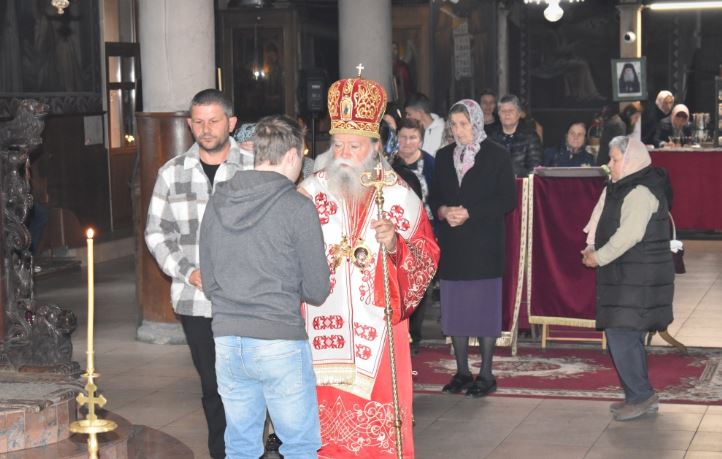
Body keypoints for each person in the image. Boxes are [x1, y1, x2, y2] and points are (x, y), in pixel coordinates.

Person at [299, 73, 439, 458]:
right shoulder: (309, 190)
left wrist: (395, 243)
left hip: (376, 326)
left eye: (354, 144)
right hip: (319, 321)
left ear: (375, 146)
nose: (343, 152)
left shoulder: (397, 194)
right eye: (338, 143)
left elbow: (426, 255)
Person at [199, 115, 330, 458]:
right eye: (301, 157)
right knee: (299, 446)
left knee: (240, 445)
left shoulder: (219, 200)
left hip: (227, 340)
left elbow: (209, 280)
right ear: (290, 156)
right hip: (279, 340)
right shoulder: (297, 207)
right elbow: (317, 289)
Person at [144, 89, 254, 459]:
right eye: (199, 122)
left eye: (215, 121)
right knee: (213, 385)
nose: (206, 130)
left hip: (250, 298)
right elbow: (156, 232)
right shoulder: (172, 172)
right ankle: (222, 453)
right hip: (196, 300)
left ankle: (256, 448)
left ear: (231, 124)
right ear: (190, 125)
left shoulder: (255, 168)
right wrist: (188, 272)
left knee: (251, 381)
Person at [582, 135, 674, 421]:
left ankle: (641, 396)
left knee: (622, 334)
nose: (609, 164)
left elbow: (628, 236)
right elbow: (601, 213)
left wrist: (599, 256)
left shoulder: (641, 190)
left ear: (631, 159)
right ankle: (639, 395)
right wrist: (591, 243)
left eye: (614, 159)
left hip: (639, 276)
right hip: (628, 274)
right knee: (624, 334)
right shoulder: (621, 184)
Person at [431, 99, 517, 398]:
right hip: (454, 244)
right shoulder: (443, 157)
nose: (458, 130)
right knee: (455, 310)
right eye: (453, 125)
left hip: (484, 243)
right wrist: (442, 211)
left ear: (477, 123)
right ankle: (463, 371)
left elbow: (507, 200)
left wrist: (471, 212)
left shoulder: (496, 155)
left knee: (483, 310)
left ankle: (487, 373)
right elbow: (435, 197)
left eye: (464, 124)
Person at [391, 117, 437, 355]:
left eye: (412, 138)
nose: (407, 143)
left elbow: (438, 198)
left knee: (418, 282)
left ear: (421, 140)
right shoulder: (388, 164)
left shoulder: (430, 164)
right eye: (403, 137)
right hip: (393, 230)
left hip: (422, 230)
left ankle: (415, 335)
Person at [488, 94, 543, 177]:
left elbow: (535, 170)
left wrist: (512, 170)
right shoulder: (491, 138)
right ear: (499, 115)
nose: (507, 114)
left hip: (521, 185)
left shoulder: (531, 138)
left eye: (511, 111)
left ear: (519, 114)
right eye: (503, 111)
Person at [596, 102, 642, 166]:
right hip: (608, 163)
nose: (636, 121)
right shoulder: (620, 125)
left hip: (604, 161)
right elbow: (619, 150)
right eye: (636, 117)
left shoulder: (617, 120)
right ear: (628, 114)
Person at [404, 92, 446, 157]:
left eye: (409, 114)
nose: (407, 117)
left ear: (420, 112)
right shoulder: (414, 129)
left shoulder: (443, 130)